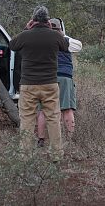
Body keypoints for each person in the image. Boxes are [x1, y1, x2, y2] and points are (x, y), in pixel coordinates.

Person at [9, 6, 69, 161]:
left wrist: (25, 28)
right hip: (49, 84)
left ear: (33, 20)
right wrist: (57, 31)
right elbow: (66, 46)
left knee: (27, 119)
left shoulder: (25, 35)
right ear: (48, 21)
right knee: (53, 118)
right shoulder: (55, 36)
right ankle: (56, 155)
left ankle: (25, 155)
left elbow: (12, 45)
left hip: (28, 84)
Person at [37, 18, 82, 148]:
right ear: (60, 28)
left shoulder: (42, 41)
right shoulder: (65, 40)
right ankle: (70, 138)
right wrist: (64, 36)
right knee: (67, 109)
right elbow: (78, 46)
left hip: (47, 78)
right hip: (64, 77)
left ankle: (41, 140)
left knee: (43, 110)